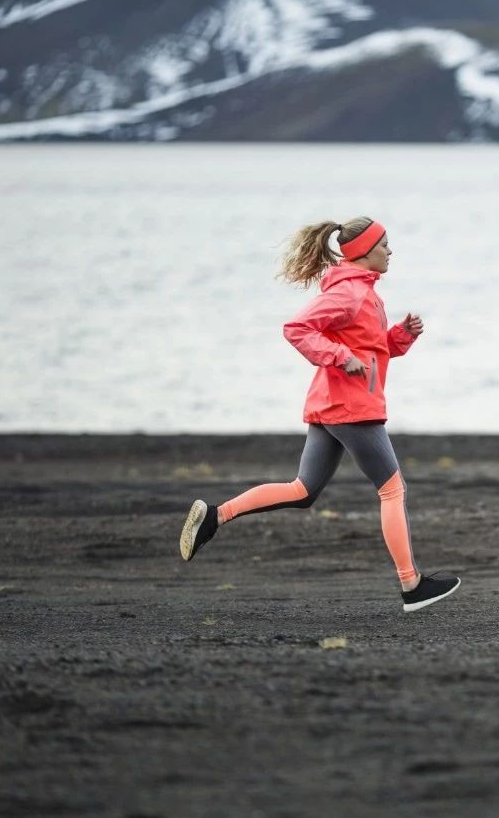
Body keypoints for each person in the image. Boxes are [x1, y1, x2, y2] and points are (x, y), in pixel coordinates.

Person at [178, 216, 460, 613]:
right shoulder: (351, 294)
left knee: (302, 491)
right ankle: (411, 585)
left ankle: (214, 516)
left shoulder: (363, 292)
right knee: (392, 490)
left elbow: (371, 349)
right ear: (363, 251)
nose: (390, 251)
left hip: (332, 405)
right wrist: (339, 356)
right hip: (352, 408)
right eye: (384, 245)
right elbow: (297, 328)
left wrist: (401, 335)